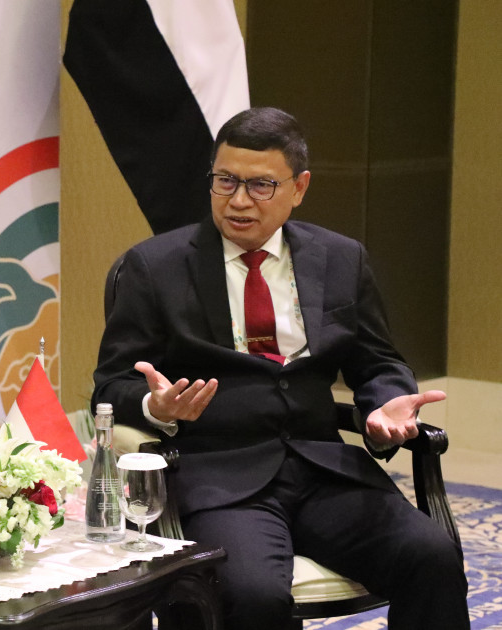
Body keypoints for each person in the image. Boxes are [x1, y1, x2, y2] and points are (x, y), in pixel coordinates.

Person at [92, 107, 468, 629]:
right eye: (225, 180)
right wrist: (156, 406)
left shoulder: (341, 259)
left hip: (325, 470)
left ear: (299, 187)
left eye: (261, 185)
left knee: (432, 557)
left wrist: (385, 405)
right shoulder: (155, 267)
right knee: (253, 595)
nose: (238, 200)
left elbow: (377, 361)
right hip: (221, 480)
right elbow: (110, 387)